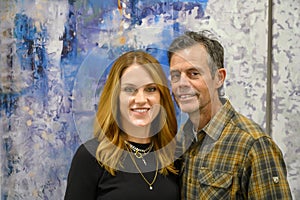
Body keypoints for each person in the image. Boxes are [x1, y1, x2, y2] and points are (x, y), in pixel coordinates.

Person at [168, 30, 292, 199]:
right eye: (176, 75)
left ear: (219, 78)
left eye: (193, 73)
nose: (182, 83)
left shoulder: (253, 145)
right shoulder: (183, 137)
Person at [64, 50, 180, 200]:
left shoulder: (173, 156)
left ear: (161, 97)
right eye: (130, 89)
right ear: (115, 98)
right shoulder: (91, 156)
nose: (140, 99)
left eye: (150, 89)